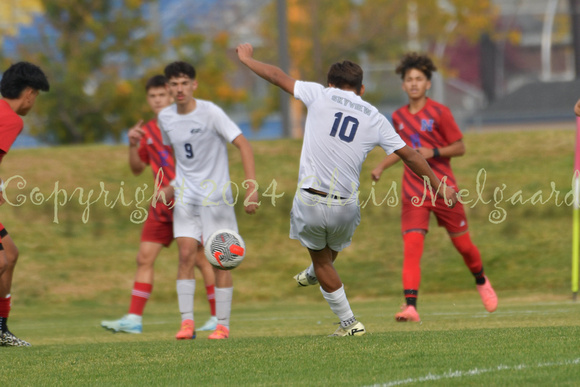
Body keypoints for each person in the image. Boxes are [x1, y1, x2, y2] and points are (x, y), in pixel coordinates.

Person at [236, 43, 457, 336]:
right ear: (362, 89)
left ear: (331, 84)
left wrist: (246, 58)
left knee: (321, 259)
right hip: (346, 206)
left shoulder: (319, 94)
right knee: (329, 254)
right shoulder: (375, 116)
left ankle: (349, 323)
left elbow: (277, 76)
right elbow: (412, 156)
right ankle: (316, 274)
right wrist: (439, 185)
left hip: (312, 200)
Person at [370, 53, 498, 322]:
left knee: (464, 247)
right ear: (403, 86)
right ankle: (411, 306)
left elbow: (460, 147)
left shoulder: (440, 112)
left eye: (419, 79)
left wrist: (434, 151)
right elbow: (400, 149)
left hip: (445, 190)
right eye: (409, 80)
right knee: (412, 245)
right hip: (413, 193)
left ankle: (481, 279)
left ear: (428, 84)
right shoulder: (398, 116)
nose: (414, 83)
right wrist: (381, 166)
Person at [101, 75, 218, 334]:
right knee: (144, 257)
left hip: (190, 203)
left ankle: (216, 318)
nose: (157, 100)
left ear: (171, 95)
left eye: (161, 95)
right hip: (162, 207)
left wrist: (176, 186)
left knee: (201, 259)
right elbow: (135, 169)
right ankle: (133, 319)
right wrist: (132, 145)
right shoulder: (148, 131)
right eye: (152, 96)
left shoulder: (186, 126)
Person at [158, 61, 258, 340]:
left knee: (221, 260)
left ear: (194, 85)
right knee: (185, 255)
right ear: (168, 88)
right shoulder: (165, 118)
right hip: (187, 196)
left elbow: (243, 144)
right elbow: (180, 159)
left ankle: (222, 326)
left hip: (216, 197)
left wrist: (251, 187)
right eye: (174, 84)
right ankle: (187, 324)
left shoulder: (211, 113)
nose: (179, 89)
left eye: (184, 83)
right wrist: (171, 186)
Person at [0, 62, 49, 346]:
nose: (34, 102)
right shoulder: (11, 120)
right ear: (29, 93)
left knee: (10, 254)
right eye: (36, 96)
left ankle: (1, 329)